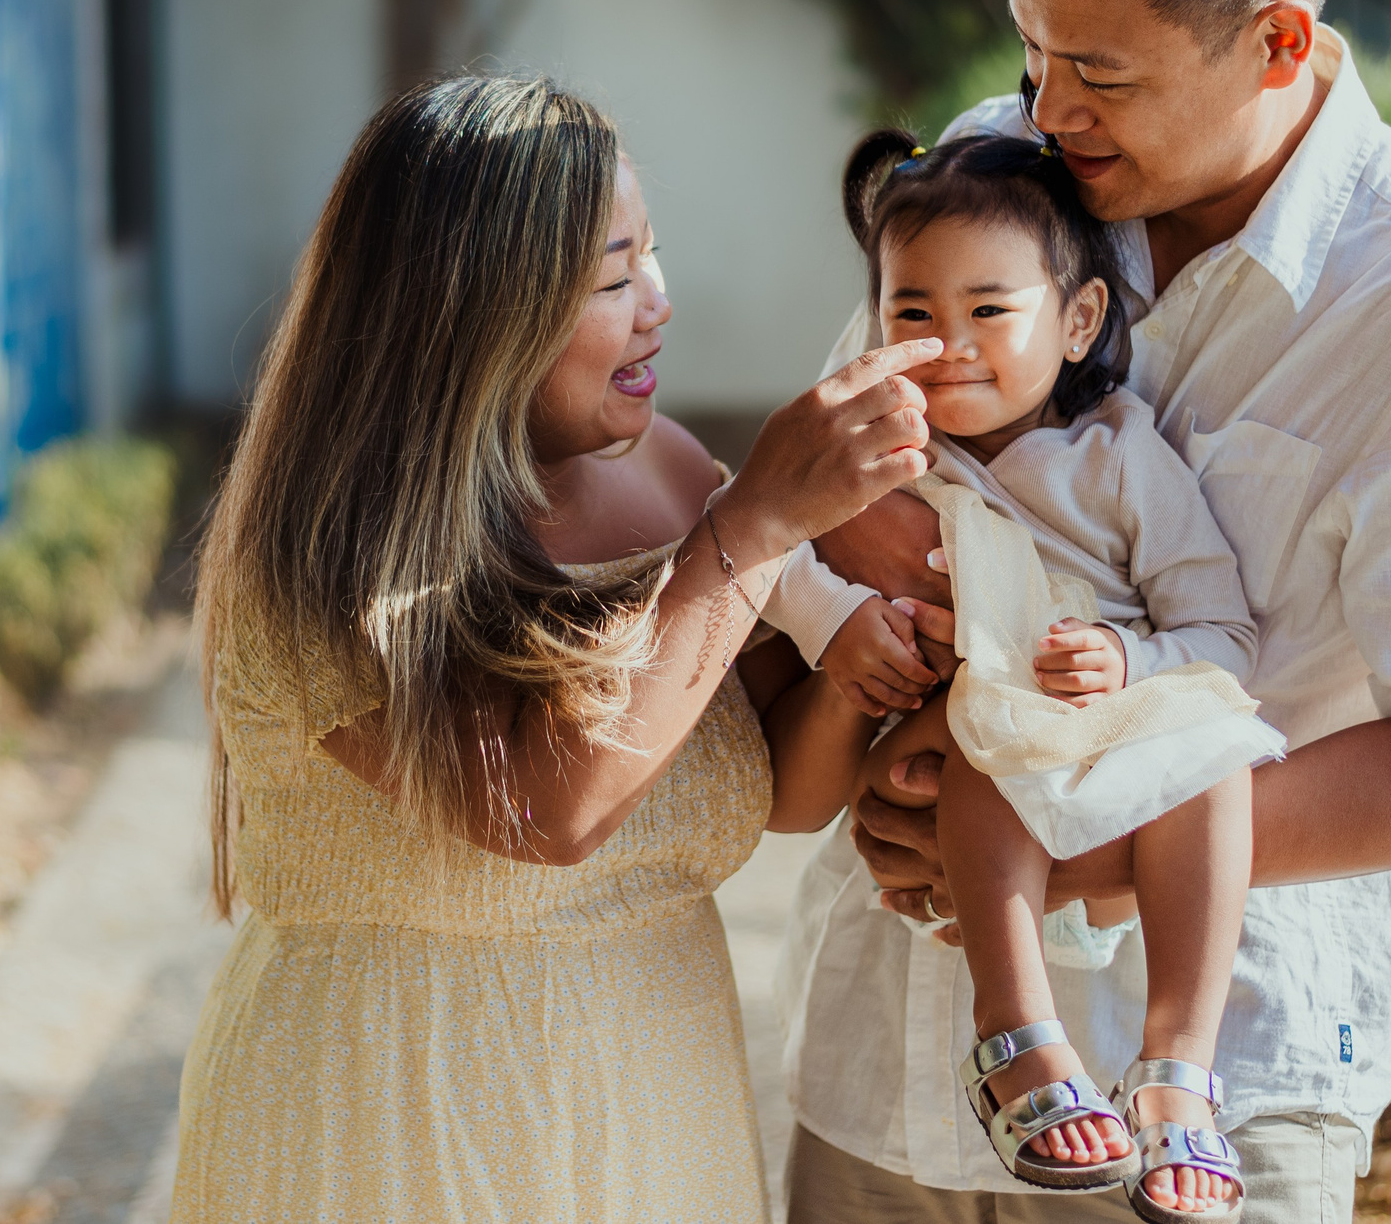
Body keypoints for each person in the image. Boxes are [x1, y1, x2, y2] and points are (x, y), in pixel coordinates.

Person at [778, 0, 1391, 1223]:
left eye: (1100, 71)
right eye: (1030, 45)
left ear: (1278, 41)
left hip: (1216, 1110)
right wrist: (907, 743)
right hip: (881, 1066)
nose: (1041, 106)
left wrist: (1076, 843)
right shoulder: (997, 172)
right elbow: (840, 484)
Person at [170, 73, 944, 1224]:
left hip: (652, 1107)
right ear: (474, 314)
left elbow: (769, 776)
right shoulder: (325, 554)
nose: (660, 303)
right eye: (614, 277)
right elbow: (549, 809)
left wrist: (868, 652)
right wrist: (756, 525)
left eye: (654, 255)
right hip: (390, 1120)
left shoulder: (670, 472)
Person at [761, 130, 1281, 1221]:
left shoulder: (1117, 457)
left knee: (1216, 751)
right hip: (968, 761)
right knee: (986, 746)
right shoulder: (875, 453)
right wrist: (839, 616)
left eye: (990, 310)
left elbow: (1223, 638)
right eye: (912, 312)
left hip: (1112, 739)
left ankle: (1176, 1069)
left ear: (1078, 318)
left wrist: (1128, 658)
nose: (947, 342)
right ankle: (1018, 1039)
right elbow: (760, 549)